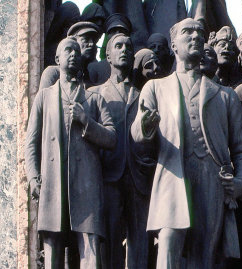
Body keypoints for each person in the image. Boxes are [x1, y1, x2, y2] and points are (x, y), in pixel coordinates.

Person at [131, 18, 242, 269]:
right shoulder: (155, 88)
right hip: (172, 174)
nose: (196, 36)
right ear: (174, 45)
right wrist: (146, 127)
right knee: (168, 243)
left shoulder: (224, 95)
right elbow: (137, 137)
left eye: (199, 32)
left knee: (205, 254)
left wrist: (241, 183)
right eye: (187, 32)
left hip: (212, 178)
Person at [25, 37, 116, 268]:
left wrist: (87, 121)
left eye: (77, 50)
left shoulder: (94, 99)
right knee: (53, 249)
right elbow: (31, 142)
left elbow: (111, 138)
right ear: (57, 58)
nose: (73, 53)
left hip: (86, 187)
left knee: (90, 251)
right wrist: (34, 177)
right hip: (54, 186)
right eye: (68, 50)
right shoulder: (44, 98)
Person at [89, 33, 156, 269]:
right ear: (108, 55)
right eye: (118, 46)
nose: (125, 49)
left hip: (138, 176)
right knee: (109, 242)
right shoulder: (95, 94)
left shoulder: (144, 96)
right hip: (108, 176)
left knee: (140, 243)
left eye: (128, 46)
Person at [39, 22, 101, 90]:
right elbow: (44, 99)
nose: (91, 44)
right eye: (85, 40)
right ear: (73, 42)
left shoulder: (94, 75)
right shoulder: (54, 73)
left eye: (94, 41)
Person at [88, 13, 132, 85]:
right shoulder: (94, 68)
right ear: (107, 36)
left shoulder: (136, 68)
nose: (117, 34)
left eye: (122, 31)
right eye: (113, 31)